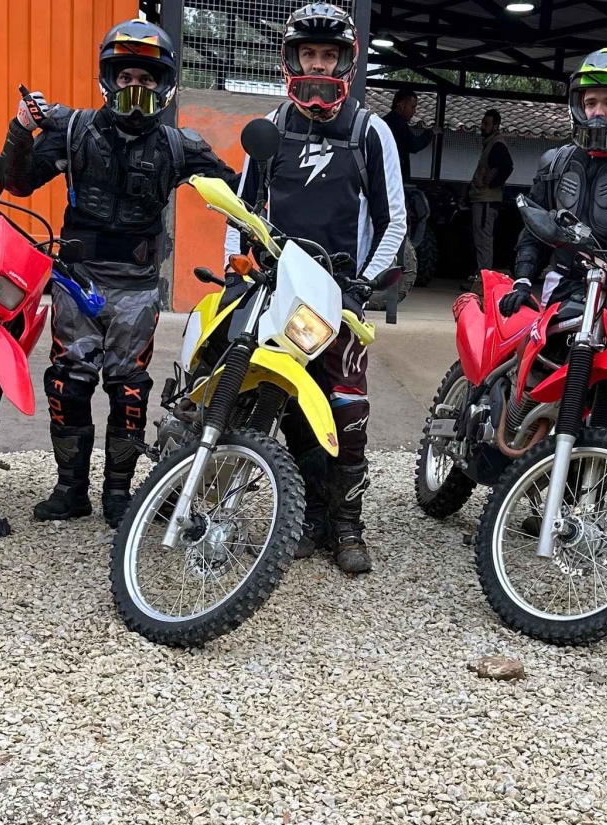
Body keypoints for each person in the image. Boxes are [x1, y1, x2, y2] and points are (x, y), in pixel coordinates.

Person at [0, 18, 237, 527]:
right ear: (109, 79)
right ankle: (70, 491)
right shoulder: (73, 130)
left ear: (164, 85)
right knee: (67, 384)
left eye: (146, 79)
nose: (135, 87)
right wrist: (20, 128)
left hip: (137, 288)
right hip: (77, 281)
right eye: (126, 76)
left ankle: (118, 494)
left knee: (129, 390)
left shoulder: (179, 145)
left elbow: (235, 192)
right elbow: (18, 183)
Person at [225, 2, 406, 575]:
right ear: (292, 59)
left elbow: (395, 222)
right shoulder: (272, 126)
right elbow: (241, 208)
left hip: (342, 294)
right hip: (280, 290)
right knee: (285, 402)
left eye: (329, 55)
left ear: (346, 62)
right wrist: (237, 268)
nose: (319, 65)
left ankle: (348, 525)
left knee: (347, 411)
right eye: (309, 53)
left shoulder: (370, 131)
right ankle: (309, 517)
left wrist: (362, 287)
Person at [500, 49, 607, 319]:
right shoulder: (554, 162)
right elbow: (534, 229)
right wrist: (522, 280)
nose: (598, 112)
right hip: (562, 286)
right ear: (579, 106)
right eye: (590, 103)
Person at [464, 109, 513, 291]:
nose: (483, 127)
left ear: (496, 126)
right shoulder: (490, 144)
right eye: (483, 123)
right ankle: (480, 278)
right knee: (481, 241)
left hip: (486, 201)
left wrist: (490, 183)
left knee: (483, 242)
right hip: (482, 199)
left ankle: (483, 282)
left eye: (487, 124)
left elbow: (507, 167)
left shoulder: (497, 145)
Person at [382, 87, 434, 191]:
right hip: (392, 178)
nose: (414, 112)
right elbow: (413, 145)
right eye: (412, 107)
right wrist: (430, 133)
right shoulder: (397, 124)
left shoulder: (386, 121)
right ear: (401, 105)